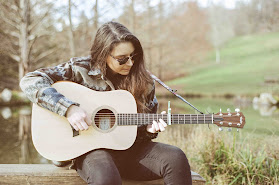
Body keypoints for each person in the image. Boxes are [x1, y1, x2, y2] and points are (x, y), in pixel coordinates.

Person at [20, 21, 192, 185]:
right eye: (122, 59)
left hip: (130, 151)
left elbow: (141, 128)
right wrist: (68, 109)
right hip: (91, 152)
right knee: (105, 177)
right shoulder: (80, 69)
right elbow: (30, 80)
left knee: (175, 157)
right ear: (103, 54)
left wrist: (148, 129)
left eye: (134, 56)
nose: (130, 63)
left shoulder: (145, 82)